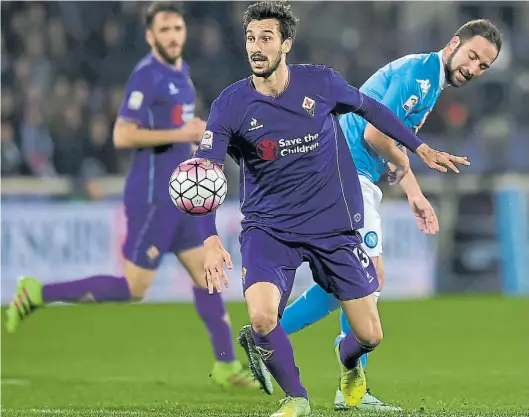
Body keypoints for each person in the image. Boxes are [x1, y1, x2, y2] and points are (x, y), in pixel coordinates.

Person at [191, 2, 470, 416]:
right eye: (251, 38)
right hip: (269, 229)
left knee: (370, 334)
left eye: (266, 38)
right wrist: (209, 238)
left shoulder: (319, 83)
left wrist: (420, 148)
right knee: (264, 317)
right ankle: (296, 398)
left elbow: (372, 110)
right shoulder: (230, 104)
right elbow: (204, 176)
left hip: (332, 226)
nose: (256, 47)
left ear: (286, 43)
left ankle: (351, 365)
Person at [246, 18, 502, 411]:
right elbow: (374, 135)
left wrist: (412, 189)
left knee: (347, 281)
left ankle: (270, 336)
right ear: (454, 43)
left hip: (348, 172)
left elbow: (389, 138)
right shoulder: (420, 76)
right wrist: (413, 165)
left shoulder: (428, 79)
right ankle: (349, 385)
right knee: (369, 279)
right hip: (348, 173)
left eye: (483, 66)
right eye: (472, 56)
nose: (473, 69)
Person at [5, 1, 257, 390]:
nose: (173, 36)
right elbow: (122, 135)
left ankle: (225, 364)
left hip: (179, 197)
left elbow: (181, 131)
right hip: (153, 199)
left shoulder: (182, 73)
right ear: (150, 36)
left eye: (178, 29)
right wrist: (183, 134)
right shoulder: (147, 77)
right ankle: (37, 292)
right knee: (133, 288)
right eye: (165, 30)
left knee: (207, 277)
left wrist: (195, 142)